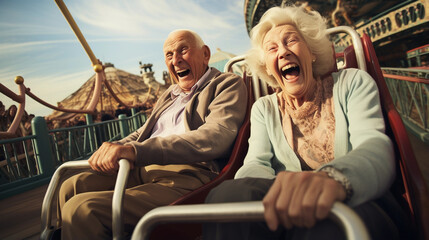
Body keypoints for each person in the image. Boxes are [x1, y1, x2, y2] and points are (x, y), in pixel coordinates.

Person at [204, 5, 405, 240]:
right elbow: (255, 163)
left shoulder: (353, 82)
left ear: (311, 52)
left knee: (323, 227)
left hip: (355, 202)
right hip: (285, 210)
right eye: (272, 48)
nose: (283, 52)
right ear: (268, 67)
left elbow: (374, 146)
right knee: (227, 197)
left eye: (291, 41)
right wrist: (279, 192)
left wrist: (334, 179)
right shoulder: (264, 108)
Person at [57, 29, 247, 239]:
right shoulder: (170, 93)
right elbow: (143, 131)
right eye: (169, 55)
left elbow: (214, 136)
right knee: (70, 186)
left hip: (186, 174)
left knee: (81, 209)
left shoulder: (226, 84)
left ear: (205, 54)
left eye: (183, 50)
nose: (176, 60)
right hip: (141, 167)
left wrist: (135, 151)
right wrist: (117, 146)